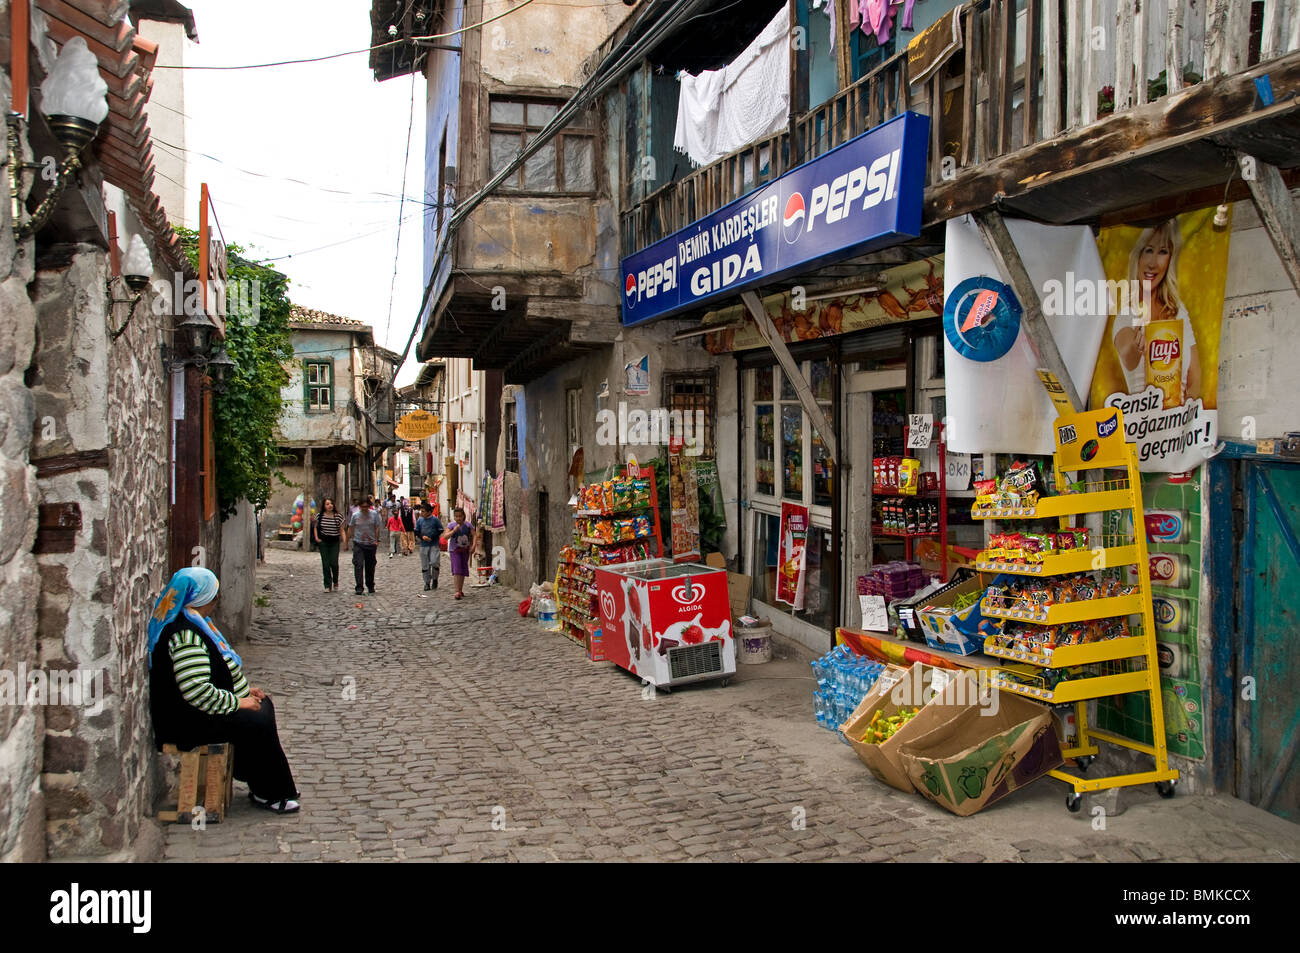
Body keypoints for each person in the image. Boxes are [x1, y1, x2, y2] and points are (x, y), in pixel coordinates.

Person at [148, 568, 300, 813]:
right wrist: (239, 702)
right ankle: (269, 791)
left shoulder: (197, 623)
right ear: (201, 599)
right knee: (255, 720)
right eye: (214, 596)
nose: (216, 602)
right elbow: (196, 691)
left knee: (262, 709)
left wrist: (244, 691)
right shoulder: (186, 634)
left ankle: (269, 784)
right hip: (187, 722)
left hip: (198, 712)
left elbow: (212, 674)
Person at [1112, 218, 1202, 406]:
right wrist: (1137, 346)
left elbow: (1195, 379)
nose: (1153, 263)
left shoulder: (1178, 311)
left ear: (1170, 259)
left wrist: (1185, 420)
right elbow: (1129, 359)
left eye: (1163, 252)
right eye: (1148, 250)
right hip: (1144, 426)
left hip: (1179, 426)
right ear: (1138, 256)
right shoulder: (1127, 314)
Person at [347, 496, 383, 594]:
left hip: (370, 543)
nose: (364, 509)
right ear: (359, 507)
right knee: (358, 564)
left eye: (366, 507)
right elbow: (351, 527)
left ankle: (370, 585)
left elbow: (376, 527)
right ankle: (359, 587)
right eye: (362, 507)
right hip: (358, 543)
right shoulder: (355, 515)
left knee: (370, 566)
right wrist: (347, 541)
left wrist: (376, 540)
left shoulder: (374, 514)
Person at [441, 506, 475, 600]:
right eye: (456, 516)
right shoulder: (451, 525)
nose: (458, 518)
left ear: (463, 516)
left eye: (460, 516)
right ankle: (457, 591)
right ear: (454, 517)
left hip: (465, 550)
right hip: (454, 550)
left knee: (463, 569)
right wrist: (454, 531)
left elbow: (474, 535)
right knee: (457, 569)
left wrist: (474, 546)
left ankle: (460, 589)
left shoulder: (468, 525)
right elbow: (445, 536)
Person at [314, 498, 344, 592]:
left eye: (331, 503)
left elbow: (342, 530)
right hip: (324, 542)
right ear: (324, 506)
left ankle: (335, 581)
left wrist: (344, 540)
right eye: (327, 504)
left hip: (334, 542)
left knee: (334, 563)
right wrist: (317, 538)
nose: (330, 505)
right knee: (326, 564)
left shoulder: (338, 517)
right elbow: (315, 527)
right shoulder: (320, 516)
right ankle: (327, 585)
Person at [415, 502, 444, 591]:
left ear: (428, 512)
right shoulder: (420, 520)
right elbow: (416, 531)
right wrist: (422, 537)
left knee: (435, 562)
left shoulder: (435, 520)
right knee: (425, 565)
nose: (421, 513)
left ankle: (435, 579)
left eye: (423, 511)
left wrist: (432, 537)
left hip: (433, 544)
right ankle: (427, 582)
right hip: (423, 545)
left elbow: (440, 530)